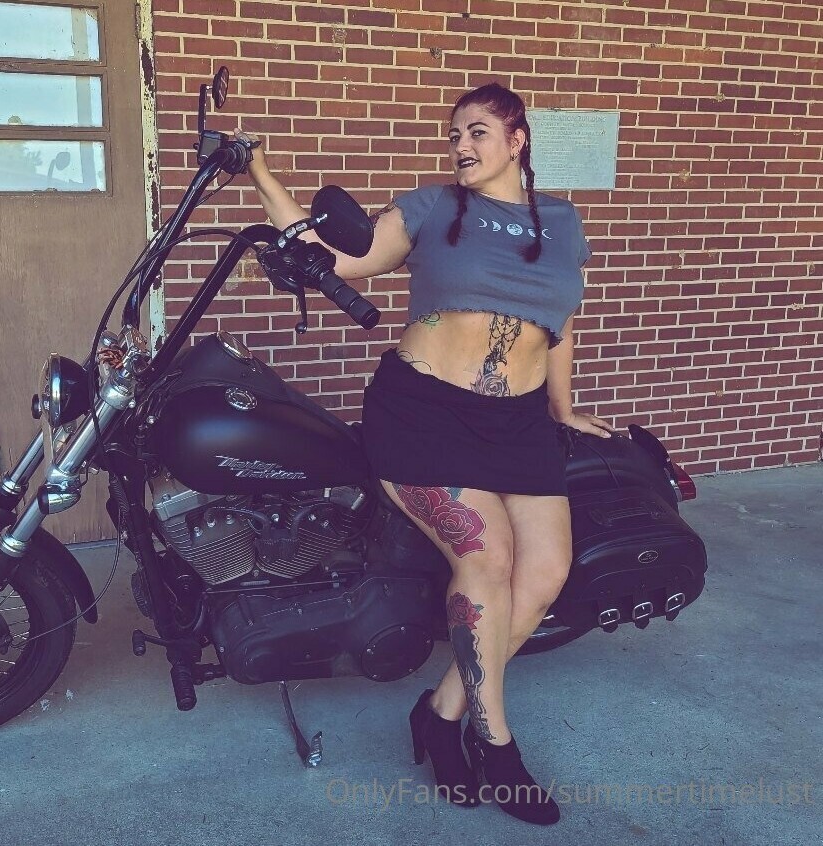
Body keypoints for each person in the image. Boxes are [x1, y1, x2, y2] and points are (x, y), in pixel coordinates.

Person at [236, 82, 614, 826]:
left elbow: (562, 325)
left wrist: (563, 409)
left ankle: (440, 712)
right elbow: (338, 259)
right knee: (487, 560)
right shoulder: (434, 207)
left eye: (477, 131)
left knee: (545, 573)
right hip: (425, 413)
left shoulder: (564, 223)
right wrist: (260, 171)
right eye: (453, 135)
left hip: (519, 424)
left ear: (518, 139)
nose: (461, 146)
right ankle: (494, 745)